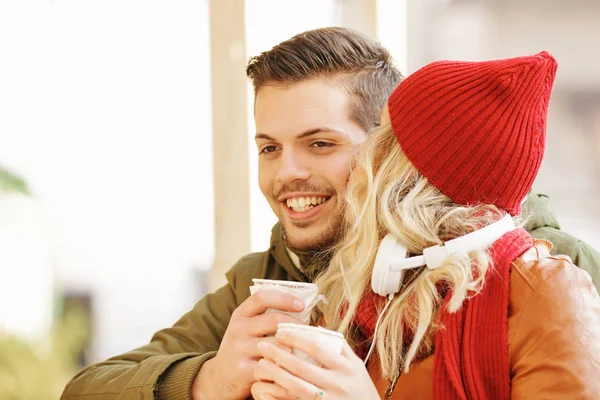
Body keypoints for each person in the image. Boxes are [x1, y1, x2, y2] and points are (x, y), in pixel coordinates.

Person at [61, 28, 600, 400]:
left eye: (319, 144)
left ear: (389, 152)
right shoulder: (265, 279)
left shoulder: (552, 272)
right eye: (268, 147)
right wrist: (210, 380)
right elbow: (86, 389)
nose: (284, 174)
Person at [251, 53, 600, 400]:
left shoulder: (546, 291)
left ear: (418, 174)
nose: (364, 155)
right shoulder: (365, 291)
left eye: (385, 134)